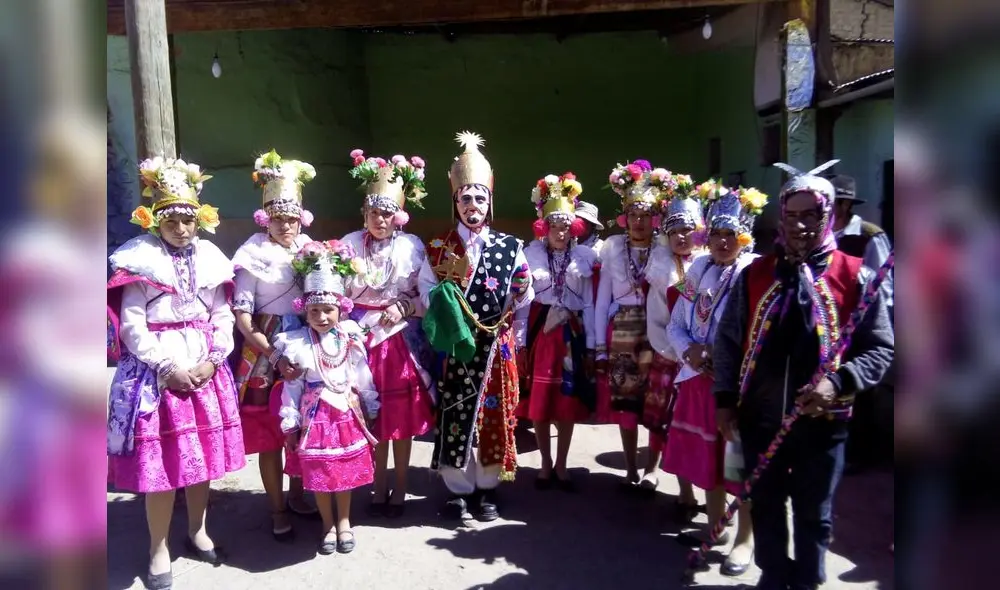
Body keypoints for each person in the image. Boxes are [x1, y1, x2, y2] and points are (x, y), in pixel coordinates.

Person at [713, 161, 893, 590]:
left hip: (824, 423)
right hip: (760, 417)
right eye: (790, 215)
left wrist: (838, 382)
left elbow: (881, 348)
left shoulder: (857, 276)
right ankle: (774, 578)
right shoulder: (755, 275)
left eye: (810, 214)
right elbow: (728, 341)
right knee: (767, 506)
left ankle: (809, 582)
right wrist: (723, 399)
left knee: (815, 514)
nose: (798, 225)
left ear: (828, 215)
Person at [106, 157, 245, 590]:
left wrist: (213, 359)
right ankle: (158, 546)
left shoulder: (211, 258)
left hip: (205, 369)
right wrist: (167, 366)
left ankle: (198, 528)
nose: (181, 229)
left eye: (188, 220)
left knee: (200, 461)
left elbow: (222, 315)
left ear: (199, 219)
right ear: (155, 221)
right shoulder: (141, 262)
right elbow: (131, 325)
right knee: (162, 467)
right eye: (172, 220)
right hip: (159, 374)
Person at [418, 131, 533, 522]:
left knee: (492, 416)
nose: (473, 205)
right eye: (465, 198)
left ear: (490, 202)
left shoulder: (510, 247)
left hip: (496, 348)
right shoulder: (439, 247)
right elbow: (427, 292)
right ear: (455, 202)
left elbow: (525, 294)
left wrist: (523, 288)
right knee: (455, 414)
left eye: (480, 198)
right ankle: (457, 490)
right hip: (458, 347)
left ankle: (487, 489)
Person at [663, 180, 766, 576]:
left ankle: (745, 537)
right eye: (718, 234)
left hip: (734, 384)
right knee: (709, 459)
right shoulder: (701, 267)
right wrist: (689, 349)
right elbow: (677, 323)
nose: (723, 242)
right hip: (695, 377)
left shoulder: (753, 272)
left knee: (737, 461)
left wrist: (723, 362)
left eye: (731, 235)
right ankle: (714, 527)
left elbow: (757, 331)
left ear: (745, 237)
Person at [340, 150, 436, 518]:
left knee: (403, 417)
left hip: (399, 339)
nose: (380, 220)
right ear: (364, 213)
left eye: (387, 213)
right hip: (361, 338)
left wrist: (406, 307)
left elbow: (424, 294)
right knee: (373, 414)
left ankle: (400, 488)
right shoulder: (349, 243)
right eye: (374, 212)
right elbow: (337, 293)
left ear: (399, 216)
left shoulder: (411, 246)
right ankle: (377, 485)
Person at [230, 149, 318, 540]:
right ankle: (276, 506)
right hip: (265, 348)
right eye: (279, 218)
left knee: (302, 424)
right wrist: (271, 353)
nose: (287, 225)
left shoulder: (311, 250)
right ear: (266, 218)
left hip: (306, 338)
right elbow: (243, 314)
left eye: (292, 217)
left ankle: (299, 495)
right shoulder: (253, 254)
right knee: (271, 434)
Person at [274, 241, 380, 555]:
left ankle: (344, 520)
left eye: (328, 310)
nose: (322, 316)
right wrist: (290, 421)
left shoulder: (350, 336)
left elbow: (361, 374)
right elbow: (292, 387)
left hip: (345, 413)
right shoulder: (297, 345)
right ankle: (327, 523)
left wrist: (370, 403)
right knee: (321, 473)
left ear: (340, 309)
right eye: (315, 311)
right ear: (305, 311)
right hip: (315, 418)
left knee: (343, 472)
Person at [517, 172, 597, 491]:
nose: (561, 232)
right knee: (541, 402)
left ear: (574, 226)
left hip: (571, 336)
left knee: (566, 403)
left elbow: (589, 304)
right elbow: (523, 304)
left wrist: (593, 346)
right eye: (555, 225)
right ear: (544, 226)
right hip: (541, 333)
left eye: (566, 225)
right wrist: (520, 343)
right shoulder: (531, 255)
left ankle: (562, 465)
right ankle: (545, 465)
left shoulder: (585, 258)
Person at [594, 159, 662, 488]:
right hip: (621, 329)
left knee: (656, 401)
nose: (639, 221)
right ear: (625, 217)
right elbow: (602, 300)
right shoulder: (612, 248)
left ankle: (653, 468)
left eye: (645, 215)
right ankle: (632, 466)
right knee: (627, 404)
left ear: (655, 218)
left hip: (657, 330)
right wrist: (599, 349)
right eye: (633, 214)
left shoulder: (665, 248)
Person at [642, 173, 705, 515]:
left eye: (689, 229)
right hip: (671, 358)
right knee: (669, 424)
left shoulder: (711, 266)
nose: (683, 236)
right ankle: (683, 490)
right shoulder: (661, 270)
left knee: (702, 426)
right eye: (676, 231)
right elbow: (656, 320)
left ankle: (702, 484)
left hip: (704, 363)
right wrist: (676, 353)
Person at [829, 174, 894, 472]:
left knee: (862, 388)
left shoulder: (869, 235)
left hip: (860, 321)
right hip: (829, 322)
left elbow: (884, 285)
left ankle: (863, 453)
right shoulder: (822, 232)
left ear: (844, 204)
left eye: (833, 203)